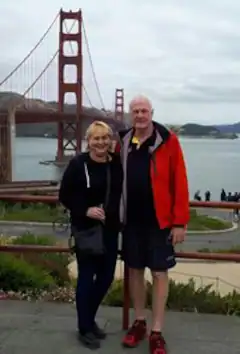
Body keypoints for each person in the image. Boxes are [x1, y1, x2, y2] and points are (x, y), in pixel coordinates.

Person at [117, 96, 189, 354]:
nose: (140, 115)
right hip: (132, 221)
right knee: (134, 271)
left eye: (144, 110)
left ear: (152, 113)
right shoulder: (123, 141)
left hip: (160, 223)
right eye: (135, 111)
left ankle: (156, 332)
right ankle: (139, 322)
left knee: (159, 274)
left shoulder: (168, 141)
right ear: (130, 114)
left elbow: (180, 181)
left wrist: (179, 222)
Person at [59, 121, 123, 350]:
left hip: (110, 229)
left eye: (105, 137)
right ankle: (85, 327)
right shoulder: (78, 164)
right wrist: (84, 209)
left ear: (110, 140)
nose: (101, 142)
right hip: (86, 229)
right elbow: (64, 195)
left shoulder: (115, 163)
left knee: (106, 278)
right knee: (86, 277)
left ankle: (88, 319)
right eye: (96, 138)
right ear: (88, 141)